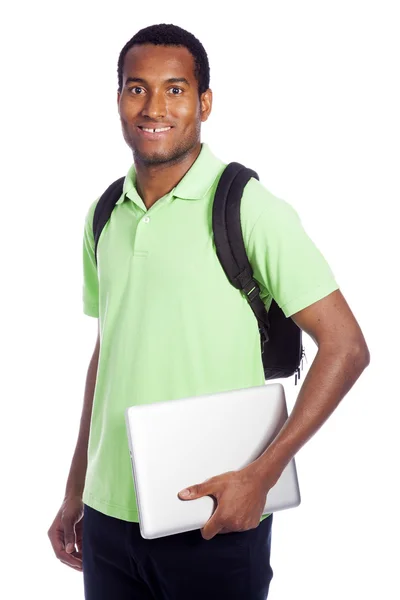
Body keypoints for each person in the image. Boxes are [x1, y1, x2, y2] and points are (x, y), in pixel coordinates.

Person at [47, 23, 370, 600]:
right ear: (119, 98)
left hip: (216, 513)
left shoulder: (248, 206)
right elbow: (109, 353)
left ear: (205, 102)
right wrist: (76, 490)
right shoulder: (103, 215)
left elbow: (346, 347)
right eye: (136, 88)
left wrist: (262, 475)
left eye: (175, 89)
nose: (154, 107)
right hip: (106, 520)